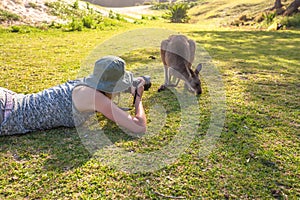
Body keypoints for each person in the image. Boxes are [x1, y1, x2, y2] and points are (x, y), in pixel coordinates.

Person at [0, 56, 147, 136]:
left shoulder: (87, 85)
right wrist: (138, 99)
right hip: (7, 114)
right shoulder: (95, 97)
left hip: (10, 100)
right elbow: (138, 126)